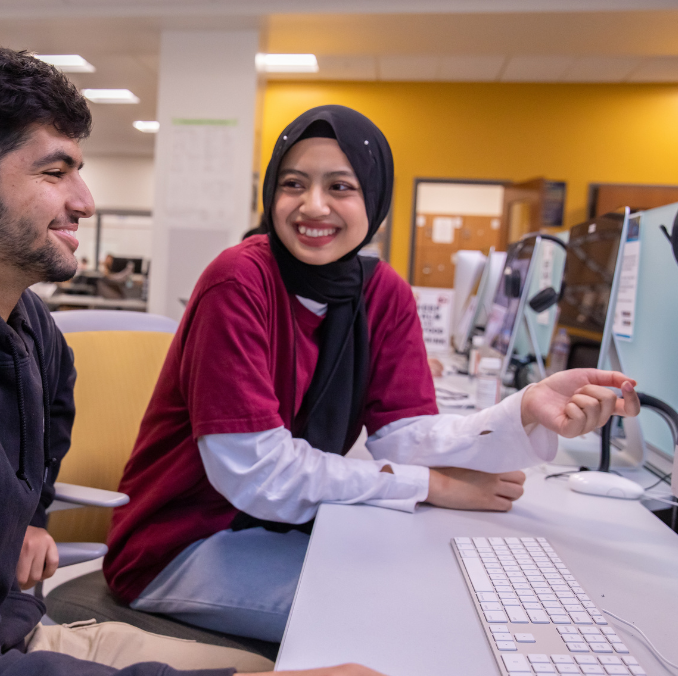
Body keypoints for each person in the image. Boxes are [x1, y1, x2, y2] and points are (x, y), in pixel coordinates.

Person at [0, 39, 377, 676]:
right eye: (55, 173)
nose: (84, 200)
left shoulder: (22, 324)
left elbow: (51, 405)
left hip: (17, 642)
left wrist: (31, 515)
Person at [104, 105, 641, 643]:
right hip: (180, 544)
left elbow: (405, 435)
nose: (313, 205)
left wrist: (524, 409)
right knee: (399, 621)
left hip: (276, 524)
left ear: (375, 200)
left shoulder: (383, 292)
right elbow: (260, 471)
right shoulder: (238, 283)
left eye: (341, 186)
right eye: (293, 184)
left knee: (433, 586)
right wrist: (431, 486)